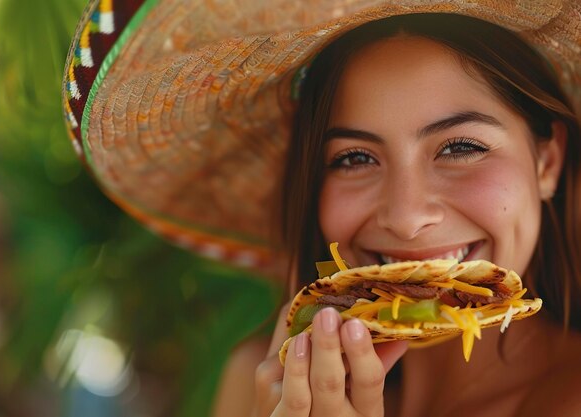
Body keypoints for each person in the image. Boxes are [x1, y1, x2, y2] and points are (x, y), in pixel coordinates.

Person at [62, 1, 581, 416]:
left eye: (461, 147)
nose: (405, 215)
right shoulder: (259, 382)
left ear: (547, 162)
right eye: (354, 157)